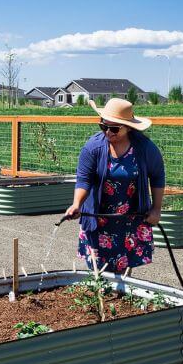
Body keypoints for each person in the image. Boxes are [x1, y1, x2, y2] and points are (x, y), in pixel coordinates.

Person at [65, 98, 165, 273]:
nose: (108, 132)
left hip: (131, 219)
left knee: (124, 272)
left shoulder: (145, 148)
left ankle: (121, 297)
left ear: (128, 127)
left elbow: (157, 177)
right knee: (98, 273)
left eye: (114, 128)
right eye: (103, 126)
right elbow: (84, 178)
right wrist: (77, 204)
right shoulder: (93, 147)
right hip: (99, 218)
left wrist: (156, 209)